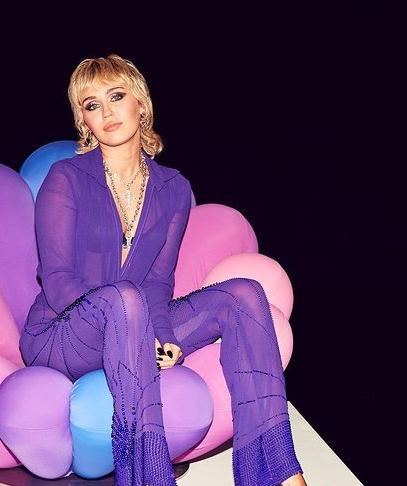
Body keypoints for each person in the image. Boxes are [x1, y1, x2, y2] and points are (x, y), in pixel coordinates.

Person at [19, 54, 307, 486]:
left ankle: (278, 473)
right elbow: (58, 282)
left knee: (244, 294)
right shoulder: (66, 178)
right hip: (63, 335)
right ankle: (149, 476)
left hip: (133, 322)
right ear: (84, 121)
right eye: (92, 105)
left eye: (116, 96)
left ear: (141, 102)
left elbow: (157, 282)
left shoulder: (173, 188)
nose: (107, 111)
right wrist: (131, 324)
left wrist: (164, 337)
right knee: (125, 298)